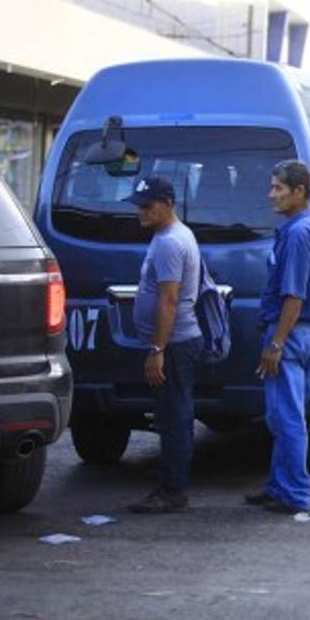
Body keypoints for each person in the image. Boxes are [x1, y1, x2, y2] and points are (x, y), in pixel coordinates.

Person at [245, 160, 310, 516]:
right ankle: (279, 486)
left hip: (292, 335)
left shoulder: (299, 234)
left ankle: (295, 493)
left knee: (286, 420)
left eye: (278, 189)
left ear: (299, 192)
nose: (272, 195)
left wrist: (275, 343)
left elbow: (294, 297)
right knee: (287, 416)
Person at [125, 176, 203, 514]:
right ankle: (172, 485)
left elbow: (169, 301)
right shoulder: (167, 236)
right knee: (174, 415)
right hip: (175, 343)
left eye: (148, 205)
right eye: (138, 205)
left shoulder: (171, 242)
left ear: (168, 203)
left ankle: (173, 490)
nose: (140, 212)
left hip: (174, 344)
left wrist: (157, 350)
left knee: (173, 418)